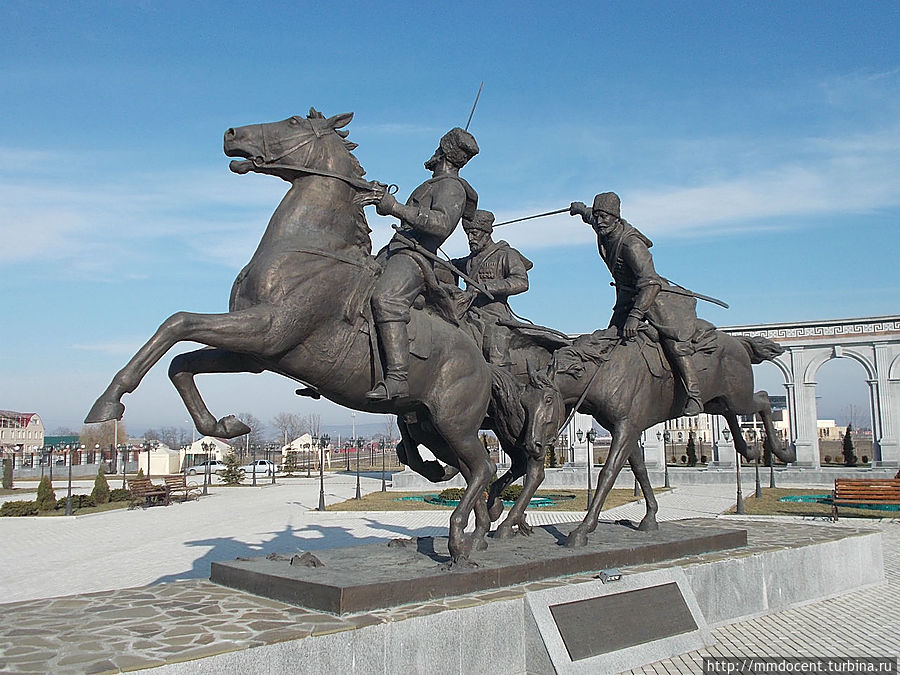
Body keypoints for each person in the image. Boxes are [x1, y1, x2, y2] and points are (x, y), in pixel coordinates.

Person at [364, 127, 479, 401]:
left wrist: (394, 207)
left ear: (443, 152)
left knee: (386, 300)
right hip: (393, 250)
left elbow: (439, 224)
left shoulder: (452, 188)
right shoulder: (429, 185)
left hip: (415, 257)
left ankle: (398, 378)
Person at [570, 192, 704, 416]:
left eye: (604, 216)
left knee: (674, 345)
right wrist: (581, 209)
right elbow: (591, 218)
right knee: (611, 338)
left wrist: (635, 315)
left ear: (615, 217)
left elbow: (651, 283)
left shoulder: (632, 245)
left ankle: (694, 395)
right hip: (625, 296)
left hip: (652, 298)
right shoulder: (604, 228)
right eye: (598, 216)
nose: (600, 221)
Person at [451, 209, 532, 366]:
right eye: (467, 233)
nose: (470, 238)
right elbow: (448, 267)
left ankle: (505, 388)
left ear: (486, 233)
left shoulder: (506, 254)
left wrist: (483, 287)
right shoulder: (469, 260)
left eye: (474, 233)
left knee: (496, 355)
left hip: (495, 317)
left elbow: (522, 282)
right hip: (469, 314)